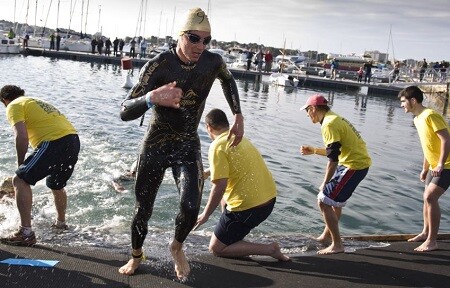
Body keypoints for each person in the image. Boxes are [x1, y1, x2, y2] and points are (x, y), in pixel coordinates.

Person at [118, 7, 244, 280]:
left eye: (206, 40)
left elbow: (228, 80)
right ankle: (136, 255)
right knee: (143, 209)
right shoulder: (159, 64)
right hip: (155, 144)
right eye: (194, 38)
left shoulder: (213, 62)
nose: (201, 46)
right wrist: (153, 97)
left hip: (187, 143)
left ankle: (176, 246)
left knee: (190, 206)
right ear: (180, 36)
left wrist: (238, 114)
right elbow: (125, 110)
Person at [195, 108, 290, 262]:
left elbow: (219, 187)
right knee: (225, 194)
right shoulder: (240, 138)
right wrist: (208, 171)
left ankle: (270, 249)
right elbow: (235, 165)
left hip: (250, 208)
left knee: (216, 248)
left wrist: (205, 215)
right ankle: (228, 229)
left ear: (208, 128)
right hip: (269, 200)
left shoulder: (217, 146)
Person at [0, 85, 80, 246]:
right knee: (56, 185)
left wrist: (20, 165)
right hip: (73, 140)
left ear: (4, 100)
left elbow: (21, 136)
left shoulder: (13, 105)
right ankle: (61, 223)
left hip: (55, 141)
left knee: (20, 180)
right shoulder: (35, 101)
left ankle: (26, 233)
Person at [299, 94, 371, 254]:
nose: (307, 114)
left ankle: (337, 244)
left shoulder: (329, 124)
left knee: (323, 201)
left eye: (307, 111)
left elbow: (333, 160)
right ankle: (326, 237)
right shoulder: (334, 118)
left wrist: (325, 183)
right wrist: (314, 150)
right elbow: (335, 152)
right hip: (355, 163)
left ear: (313, 108)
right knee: (334, 202)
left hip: (353, 165)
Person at [398, 86, 450, 252]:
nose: (401, 105)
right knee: (426, 198)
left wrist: (441, 163)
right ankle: (425, 232)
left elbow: (446, 140)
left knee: (430, 197)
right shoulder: (417, 119)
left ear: (413, 101)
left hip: (447, 165)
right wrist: (425, 168)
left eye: (403, 101)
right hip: (434, 166)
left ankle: (432, 241)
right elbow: (428, 145)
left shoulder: (430, 115)